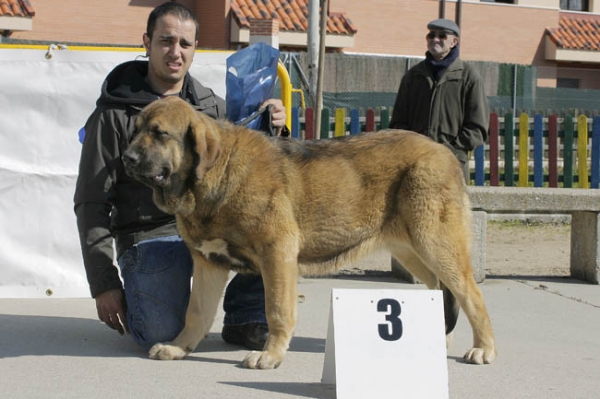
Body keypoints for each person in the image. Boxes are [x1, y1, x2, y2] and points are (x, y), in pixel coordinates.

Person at [74, 2, 286, 351]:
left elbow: (251, 175)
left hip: (211, 231)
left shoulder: (212, 108)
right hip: (151, 236)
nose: (176, 52)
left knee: (270, 231)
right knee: (160, 333)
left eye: (185, 44)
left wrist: (272, 125)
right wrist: (104, 284)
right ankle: (149, 294)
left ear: (194, 49)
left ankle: (243, 317)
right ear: (147, 42)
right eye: (166, 41)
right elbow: (91, 201)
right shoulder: (113, 114)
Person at [389, 18, 489, 182]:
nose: (435, 39)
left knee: (448, 208)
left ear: (454, 41)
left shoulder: (468, 77)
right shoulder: (413, 76)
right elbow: (398, 123)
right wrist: (414, 150)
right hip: (415, 165)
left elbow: (477, 128)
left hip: (451, 165)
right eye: (431, 35)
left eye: (442, 36)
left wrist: (450, 152)